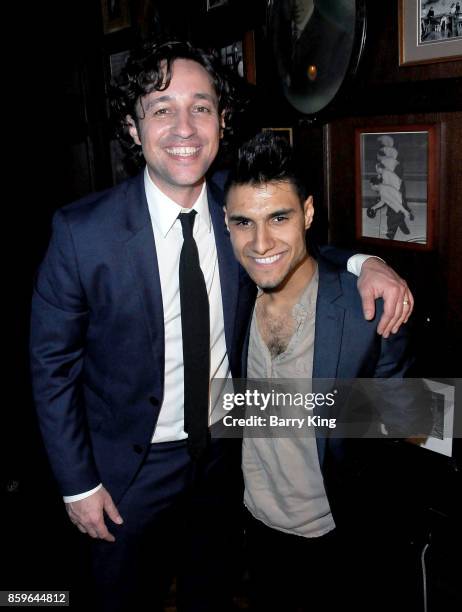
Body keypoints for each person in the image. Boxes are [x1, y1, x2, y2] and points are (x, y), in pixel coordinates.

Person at [30, 40, 414, 612]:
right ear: (133, 129)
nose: (184, 126)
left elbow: (282, 244)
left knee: (212, 592)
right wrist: (78, 484)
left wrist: (364, 262)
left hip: (225, 458)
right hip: (126, 473)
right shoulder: (81, 234)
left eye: (201, 106)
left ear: (221, 119)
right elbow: (50, 367)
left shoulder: (234, 207)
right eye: (161, 108)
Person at [223, 133, 431, 612]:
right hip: (256, 528)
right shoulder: (228, 296)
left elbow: (411, 423)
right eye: (243, 223)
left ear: (308, 214)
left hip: (342, 538)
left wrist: (369, 264)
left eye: (280, 217)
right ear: (227, 226)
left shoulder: (371, 310)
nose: (261, 242)